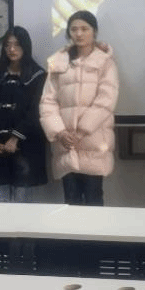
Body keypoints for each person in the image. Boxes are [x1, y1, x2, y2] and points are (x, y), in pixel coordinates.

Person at [40, 10, 119, 206]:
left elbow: (106, 99)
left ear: (94, 32)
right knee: (70, 201)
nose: (79, 34)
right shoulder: (58, 62)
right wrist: (60, 132)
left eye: (84, 29)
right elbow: (48, 101)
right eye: (74, 29)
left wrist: (81, 131)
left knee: (93, 200)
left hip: (93, 142)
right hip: (66, 144)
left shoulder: (105, 62)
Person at [0, 27, 47, 202]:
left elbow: (36, 110)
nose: (12, 49)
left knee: (22, 204)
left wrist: (15, 138)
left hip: (26, 147)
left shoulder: (38, 76)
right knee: (1, 203)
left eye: (17, 45)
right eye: (7, 45)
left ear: (25, 46)